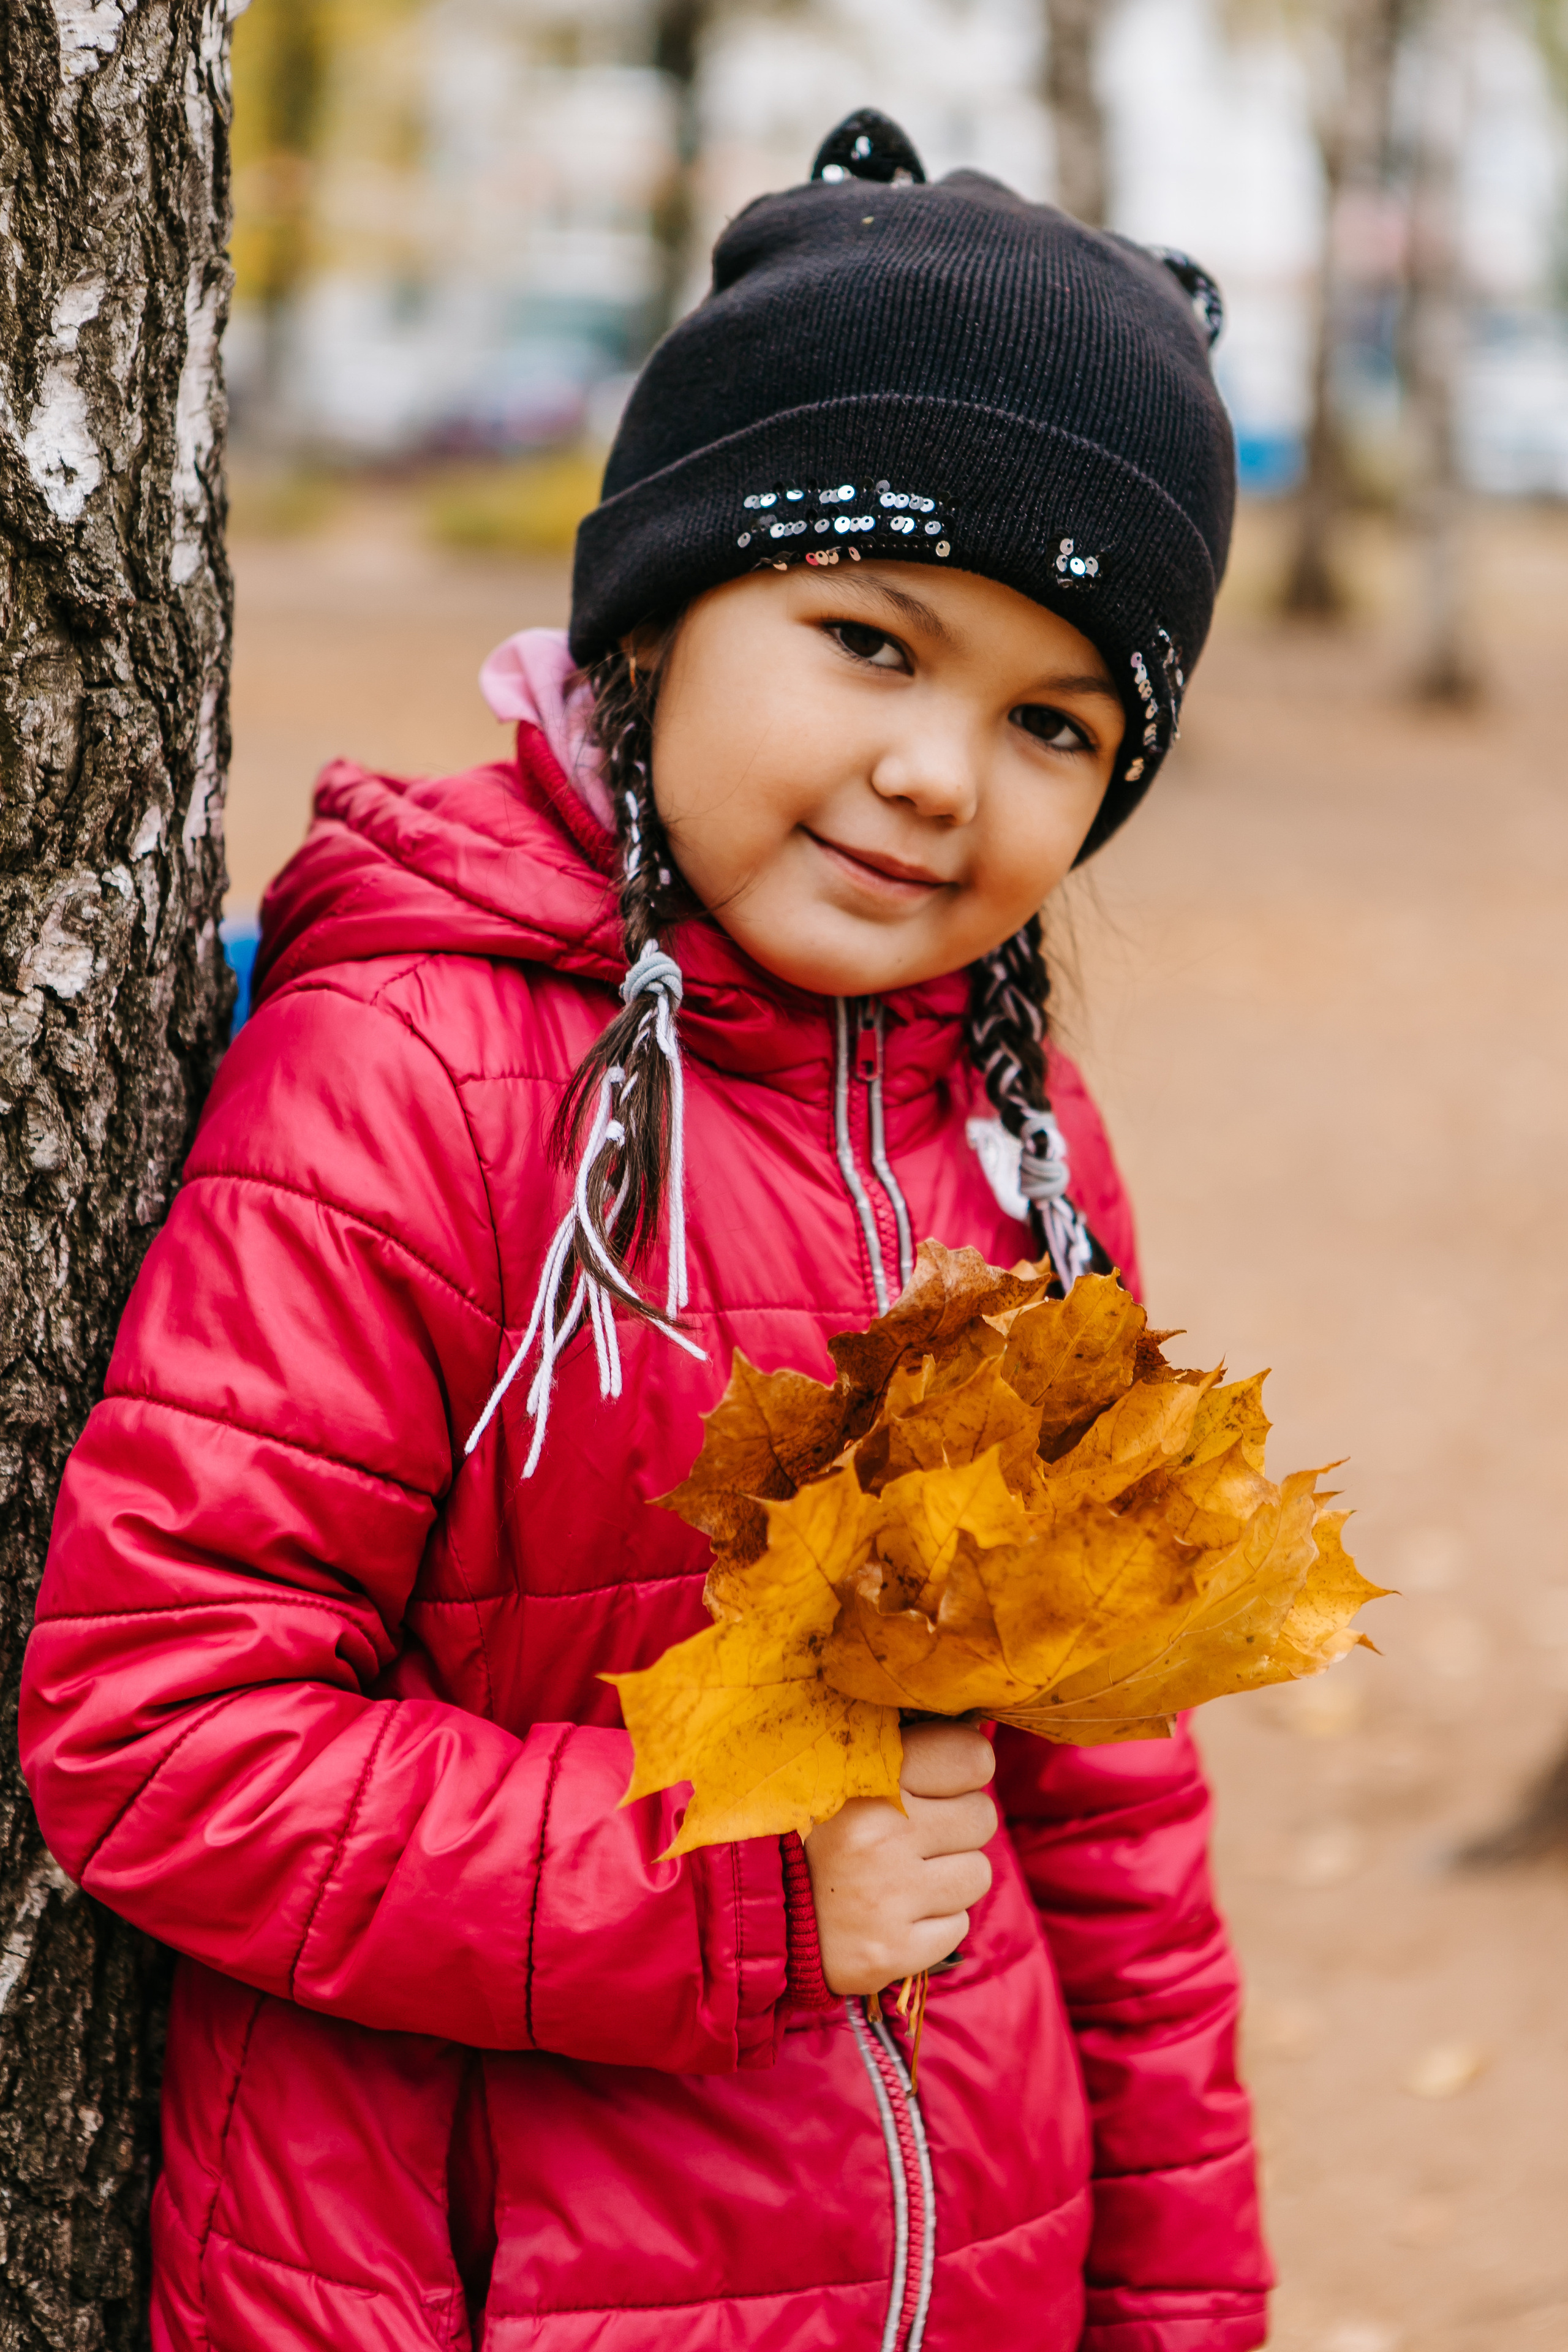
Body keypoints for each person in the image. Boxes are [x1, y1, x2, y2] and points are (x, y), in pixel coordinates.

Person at [21, 109, 1270, 2352]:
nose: (940, 776)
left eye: (1054, 722)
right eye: (871, 640)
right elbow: (160, 1726)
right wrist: (742, 1883)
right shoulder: (416, 1074)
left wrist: (1177, 2307)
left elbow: (1108, 1813)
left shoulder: (1029, 1144)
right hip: (481, 2281)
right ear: (664, 608)